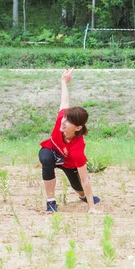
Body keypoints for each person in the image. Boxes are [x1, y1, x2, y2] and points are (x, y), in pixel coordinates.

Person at [39, 69, 100, 213]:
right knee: (46, 159)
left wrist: (91, 207)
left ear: (78, 127)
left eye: (69, 121)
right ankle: (51, 201)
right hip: (51, 151)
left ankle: (83, 196)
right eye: (64, 118)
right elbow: (64, 100)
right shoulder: (61, 118)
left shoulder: (77, 148)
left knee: (79, 188)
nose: (63, 122)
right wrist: (64, 81)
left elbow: (85, 179)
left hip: (69, 163)